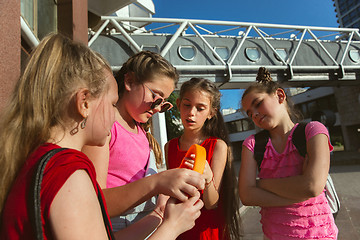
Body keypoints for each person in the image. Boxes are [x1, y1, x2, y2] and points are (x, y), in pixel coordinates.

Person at [0, 33, 203, 240]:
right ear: (84, 102)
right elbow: (99, 208)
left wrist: (160, 215)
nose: (158, 108)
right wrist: (170, 224)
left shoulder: (46, 162)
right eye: (111, 104)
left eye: (164, 103)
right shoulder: (68, 172)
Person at [82, 51, 205, 235]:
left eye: (163, 105)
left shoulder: (140, 131)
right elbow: (95, 202)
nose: (156, 109)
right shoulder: (105, 126)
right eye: (156, 97)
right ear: (130, 81)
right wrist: (158, 182)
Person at [238, 67, 338, 239]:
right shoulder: (253, 144)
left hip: (319, 234)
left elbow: (312, 186)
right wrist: (296, 192)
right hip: (274, 234)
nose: (254, 114)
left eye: (258, 104)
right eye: (249, 113)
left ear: (280, 96)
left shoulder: (313, 130)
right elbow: (246, 195)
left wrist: (260, 184)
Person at [165, 78, 242, 240]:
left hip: (206, 229)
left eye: (200, 108)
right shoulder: (169, 146)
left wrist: (208, 180)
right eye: (187, 105)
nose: (191, 112)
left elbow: (212, 203)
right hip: (178, 227)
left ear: (211, 113)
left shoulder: (218, 146)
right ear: (178, 104)